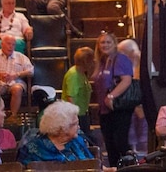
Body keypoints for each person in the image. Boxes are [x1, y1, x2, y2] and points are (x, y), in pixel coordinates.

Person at [92, 31, 134, 167]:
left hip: (118, 108)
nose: (105, 45)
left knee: (120, 143)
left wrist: (111, 96)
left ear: (114, 44)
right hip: (104, 111)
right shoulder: (102, 61)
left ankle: (129, 168)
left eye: (108, 42)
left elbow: (126, 80)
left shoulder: (120, 59)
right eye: (102, 42)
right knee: (110, 146)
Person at [17, 101, 99, 166]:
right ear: (62, 128)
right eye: (75, 124)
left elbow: (93, 166)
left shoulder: (78, 141)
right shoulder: (33, 149)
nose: (79, 127)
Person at [0, 34, 34, 118]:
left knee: (17, 89)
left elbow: (31, 71)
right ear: (1, 44)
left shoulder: (21, 56)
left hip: (16, 81)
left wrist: (16, 75)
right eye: (8, 44)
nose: (11, 46)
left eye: (13, 44)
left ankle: (13, 117)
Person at [118, 38, 147, 153]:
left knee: (143, 127)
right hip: (129, 102)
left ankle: (145, 151)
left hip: (141, 102)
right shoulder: (126, 64)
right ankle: (133, 149)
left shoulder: (143, 63)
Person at [62, 46, 95, 137]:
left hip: (82, 112)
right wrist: (74, 118)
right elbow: (70, 97)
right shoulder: (74, 75)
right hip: (75, 115)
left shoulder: (81, 73)